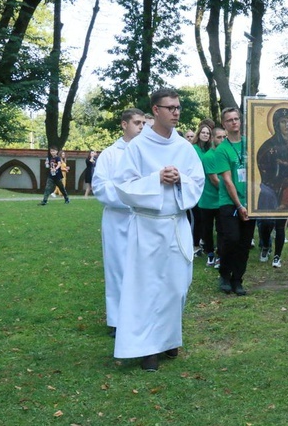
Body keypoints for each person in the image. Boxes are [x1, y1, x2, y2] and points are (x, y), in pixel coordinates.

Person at [112, 88, 204, 371]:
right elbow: (123, 185)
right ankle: (147, 349)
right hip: (148, 227)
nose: (176, 112)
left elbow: (197, 182)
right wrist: (156, 180)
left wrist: (179, 181)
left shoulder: (184, 148)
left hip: (175, 223)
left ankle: (168, 339)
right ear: (155, 110)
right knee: (147, 288)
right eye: (170, 108)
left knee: (177, 286)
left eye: (178, 107)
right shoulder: (137, 147)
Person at [92, 108, 145, 338]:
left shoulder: (147, 152)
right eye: (136, 123)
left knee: (142, 269)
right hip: (117, 218)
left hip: (143, 218)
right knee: (117, 268)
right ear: (124, 125)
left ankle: (140, 315)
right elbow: (101, 187)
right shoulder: (110, 155)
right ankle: (116, 319)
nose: (141, 127)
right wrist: (130, 198)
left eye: (144, 123)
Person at [213, 107, 256, 296]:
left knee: (245, 243)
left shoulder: (250, 144)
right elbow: (228, 180)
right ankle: (224, 274)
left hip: (252, 201)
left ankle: (237, 279)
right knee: (231, 239)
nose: (234, 122)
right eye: (229, 120)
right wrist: (239, 206)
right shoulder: (222, 149)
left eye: (236, 119)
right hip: (229, 202)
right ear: (224, 124)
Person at [202, 127, 227, 267]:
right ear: (212, 138)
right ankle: (210, 254)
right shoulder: (209, 156)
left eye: (224, 137)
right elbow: (215, 180)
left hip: (221, 200)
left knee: (222, 229)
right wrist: (231, 191)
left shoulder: (224, 153)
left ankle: (220, 255)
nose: (222, 140)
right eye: (219, 137)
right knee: (207, 229)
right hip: (208, 199)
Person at [192, 119, 216, 260]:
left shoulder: (208, 150)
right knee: (198, 218)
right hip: (197, 187)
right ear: (199, 133)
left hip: (207, 186)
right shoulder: (193, 148)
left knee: (204, 220)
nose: (205, 135)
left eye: (208, 133)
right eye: (203, 132)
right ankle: (196, 244)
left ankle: (205, 245)